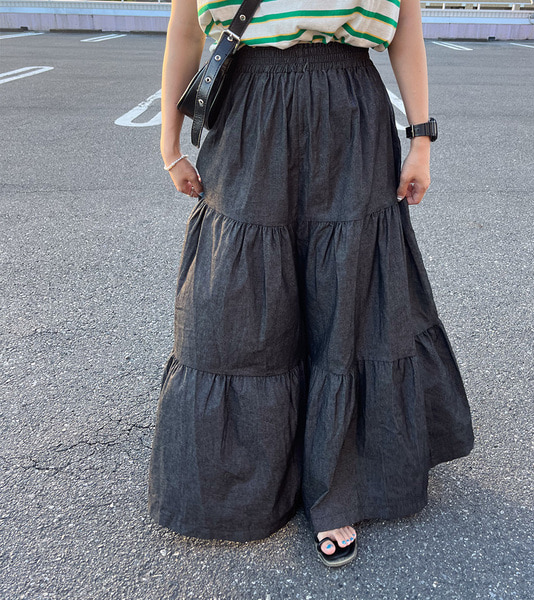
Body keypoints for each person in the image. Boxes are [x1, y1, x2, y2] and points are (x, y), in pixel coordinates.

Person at [148, 0, 475, 568]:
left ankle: (336, 489)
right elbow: (185, 32)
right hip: (248, 105)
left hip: (349, 106)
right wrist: (169, 143)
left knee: (347, 295)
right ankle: (246, 480)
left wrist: (421, 139)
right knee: (238, 298)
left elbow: (406, 28)